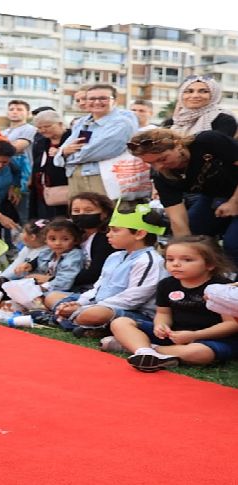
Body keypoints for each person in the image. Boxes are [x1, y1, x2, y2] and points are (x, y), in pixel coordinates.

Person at [109, 235, 238, 372]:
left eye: (187, 260)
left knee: (200, 352)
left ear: (210, 264)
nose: (175, 264)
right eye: (170, 259)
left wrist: (195, 335)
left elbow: (232, 324)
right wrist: (161, 325)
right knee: (120, 322)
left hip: (212, 339)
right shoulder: (166, 284)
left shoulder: (222, 287)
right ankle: (147, 350)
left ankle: (144, 349)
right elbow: (163, 313)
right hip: (175, 335)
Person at [127, 128, 238, 265]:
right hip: (216, 196)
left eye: (162, 159)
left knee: (233, 243)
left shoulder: (208, 141)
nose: (159, 167)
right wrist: (183, 253)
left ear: (178, 144)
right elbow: (177, 218)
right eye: (151, 163)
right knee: (192, 235)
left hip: (233, 194)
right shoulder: (162, 175)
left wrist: (234, 202)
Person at [54, 202, 167, 336]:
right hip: (99, 303)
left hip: (135, 312)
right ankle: (84, 323)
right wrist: (79, 302)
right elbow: (98, 287)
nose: (109, 234)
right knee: (53, 297)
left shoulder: (149, 260)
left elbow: (133, 299)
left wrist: (87, 307)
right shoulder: (115, 256)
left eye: (115, 230)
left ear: (139, 234)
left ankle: (78, 321)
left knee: (94, 314)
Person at [53, 84, 136, 197]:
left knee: (105, 213)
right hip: (76, 177)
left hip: (104, 179)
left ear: (115, 101)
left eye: (103, 98)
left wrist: (65, 156)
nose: (97, 102)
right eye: (92, 99)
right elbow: (65, 148)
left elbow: (92, 152)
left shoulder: (122, 123)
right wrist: (62, 152)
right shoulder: (83, 123)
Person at [43, 192, 116, 310]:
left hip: (91, 289)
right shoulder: (74, 234)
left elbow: (94, 274)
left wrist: (53, 279)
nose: (81, 215)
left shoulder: (105, 238)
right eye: (76, 211)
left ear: (104, 214)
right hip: (68, 283)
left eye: (88, 211)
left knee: (49, 297)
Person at [14, 218, 85, 294]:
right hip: (45, 288)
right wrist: (28, 267)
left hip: (65, 292)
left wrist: (43, 286)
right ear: (46, 240)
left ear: (75, 240)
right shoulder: (47, 252)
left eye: (65, 239)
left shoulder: (74, 255)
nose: (58, 243)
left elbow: (65, 281)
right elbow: (38, 273)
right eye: (53, 239)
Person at [31, 110, 71, 219]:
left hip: (67, 187)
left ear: (60, 124)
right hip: (45, 190)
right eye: (39, 128)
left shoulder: (72, 138)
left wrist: (60, 153)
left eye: (47, 126)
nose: (43, 130)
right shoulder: (41, 142)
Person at [2, 99, 37, 222]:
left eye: (19, 109)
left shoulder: (30, 129)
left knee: (23, 216)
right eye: (11, 109)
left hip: (24, 178)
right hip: (5, 177)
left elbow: (16, 147)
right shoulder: (3, 132)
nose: (15, 112)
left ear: (28, 113)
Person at [168, 75, 237, 137]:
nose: (195, 96)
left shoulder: (224, 120)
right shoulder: (174, 121)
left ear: (214, 95)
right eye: (189, 91)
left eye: (203, 91)